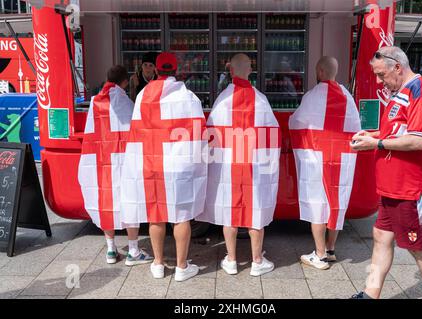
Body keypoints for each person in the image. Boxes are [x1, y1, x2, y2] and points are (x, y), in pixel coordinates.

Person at [350, 46, 422, 299]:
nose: (380, 81)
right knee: (381, 236)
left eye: (382, 75)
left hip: (412, 188)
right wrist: (372, 136)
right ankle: (370, 294)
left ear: (397, 67)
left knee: (419, 248)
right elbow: (398, 132)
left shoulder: (420, 90)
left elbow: (419, 141)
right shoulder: (401, 91)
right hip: (394, 186)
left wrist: (377, 144)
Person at [120, 52, 207, 282]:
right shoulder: (188, 97)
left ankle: (158, 264)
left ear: (157, 70)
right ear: (176, 70)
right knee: (181, 215)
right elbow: (200, 133)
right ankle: (181, 267)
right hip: (179, 166)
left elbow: (136, 132)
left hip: (150, 162)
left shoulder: (142, 96)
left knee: (156, 214)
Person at [196, 53, 281, 276]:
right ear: (250, 70)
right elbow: (273, 137)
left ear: (230, 71)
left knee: (228, 210)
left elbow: (211, 136)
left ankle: (232, 260)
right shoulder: (261, 100)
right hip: (254, 165)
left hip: (228, 166)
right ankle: (257, 260)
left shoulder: (222, 100)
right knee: (256, 210)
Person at [289, 56, 361, 270]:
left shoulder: (312, 96)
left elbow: (297, 121)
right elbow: (355, 125)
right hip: (342, 159)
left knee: (317, 202)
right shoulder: (347, 96)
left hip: (317, 158)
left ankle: (319, 254)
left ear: (320, 71)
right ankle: (330, 249)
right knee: (336, 202)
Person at [78, 65, 152, 265]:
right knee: (130, 200)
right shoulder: (124, 101)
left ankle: (111, 250)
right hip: (123, 160)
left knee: (105, 202)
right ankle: (134, 251)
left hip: (101, 161)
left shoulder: (95, 102)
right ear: (125, 81)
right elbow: (136, 130)